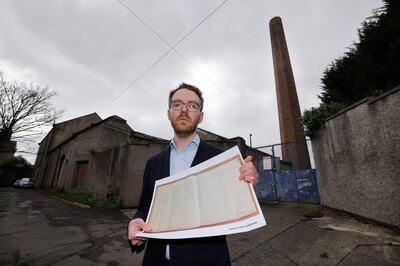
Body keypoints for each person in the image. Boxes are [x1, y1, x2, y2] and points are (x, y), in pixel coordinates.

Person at [128, 83, 259, 266]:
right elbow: (144, 208)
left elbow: (238, 203)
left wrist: (248, 181)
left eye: (192, 106)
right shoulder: (153, 163)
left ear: (201, 116)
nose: (184, 110)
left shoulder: (222, 160)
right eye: (177, 104)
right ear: (168, 113)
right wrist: (136, 222)